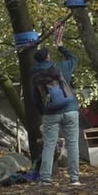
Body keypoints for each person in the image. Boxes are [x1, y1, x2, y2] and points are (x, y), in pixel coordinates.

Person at [31, 23, 81, 186]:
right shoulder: (61, 68)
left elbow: (36, 99)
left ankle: (45, 179)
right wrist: (61, 47)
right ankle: (74, 179)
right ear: (48, 57)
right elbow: (74, 59)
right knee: (72, 143)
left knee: (49, 145)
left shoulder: (35, 75)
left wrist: (44, 111)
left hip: (50, 113)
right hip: (70, 109)